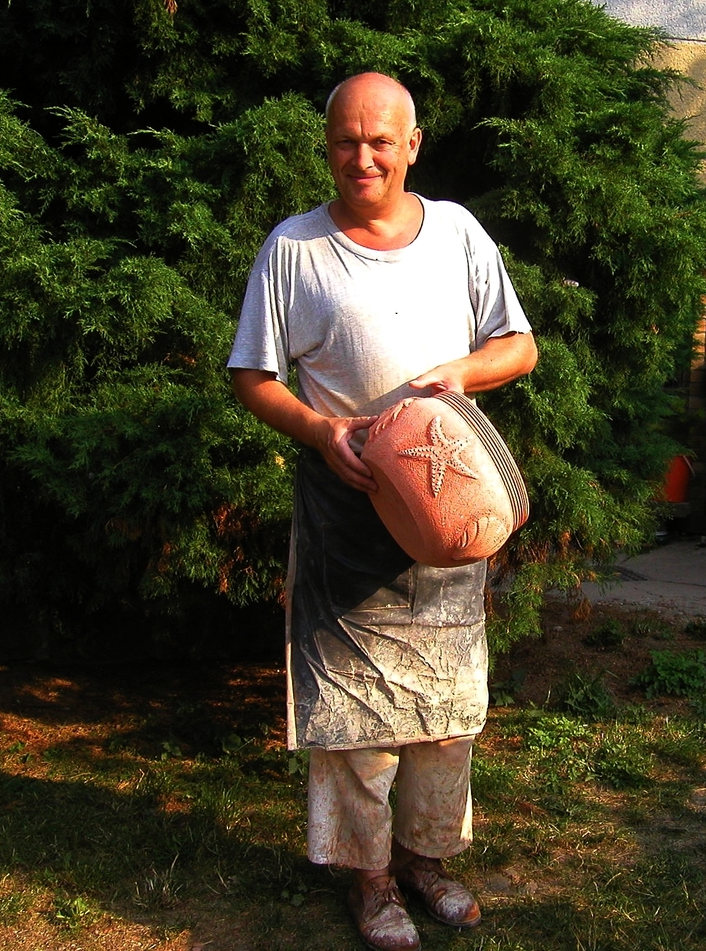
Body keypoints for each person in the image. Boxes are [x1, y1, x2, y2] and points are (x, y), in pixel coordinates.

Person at [228, 71, 537, 951]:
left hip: (444, 510)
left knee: (447, 710)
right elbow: (252, 376)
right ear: (327, 146)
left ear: (412, 145)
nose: (362, 157)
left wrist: (462, 372)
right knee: (354, 719)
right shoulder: (294, 249)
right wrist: (320, 430)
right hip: (345, 509)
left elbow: (520, 345)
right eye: (345, 140)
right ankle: (368, 879)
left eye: (379, 141)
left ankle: (425, 861)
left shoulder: (458, 234)